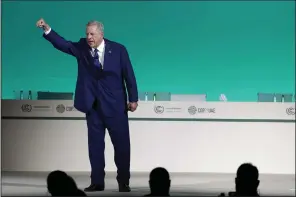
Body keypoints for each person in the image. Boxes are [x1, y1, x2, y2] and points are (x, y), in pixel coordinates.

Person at [36, 18, 139, 192]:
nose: (89, 37)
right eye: (87, 34)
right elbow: (63, 44)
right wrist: (47, 29)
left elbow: (129, 75)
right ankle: (97, 182)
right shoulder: (82, 48)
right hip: (93, 106)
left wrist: (133, 98)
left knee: (122, 146)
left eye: (92, 34)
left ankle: (123, 181)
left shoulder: (119, 50)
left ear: (101, 34)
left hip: (116, 107)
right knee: (95, 146)